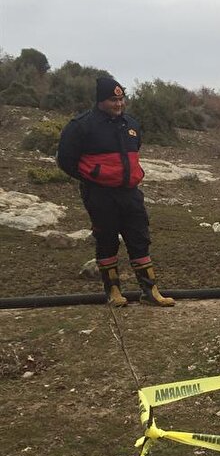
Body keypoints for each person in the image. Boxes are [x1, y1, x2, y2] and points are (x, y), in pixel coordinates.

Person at [56, 77, 174, 307]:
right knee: (107, 240)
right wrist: (93, 178)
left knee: (140, 239)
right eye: (113, 100)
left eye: (121, 99)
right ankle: (113, 292)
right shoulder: (81, 126)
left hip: (130, 192)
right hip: (100, 195)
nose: (119, 104)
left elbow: (134, 152)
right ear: (101, 100)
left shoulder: (131, 124)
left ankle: (150, 292)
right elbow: (66, 161)